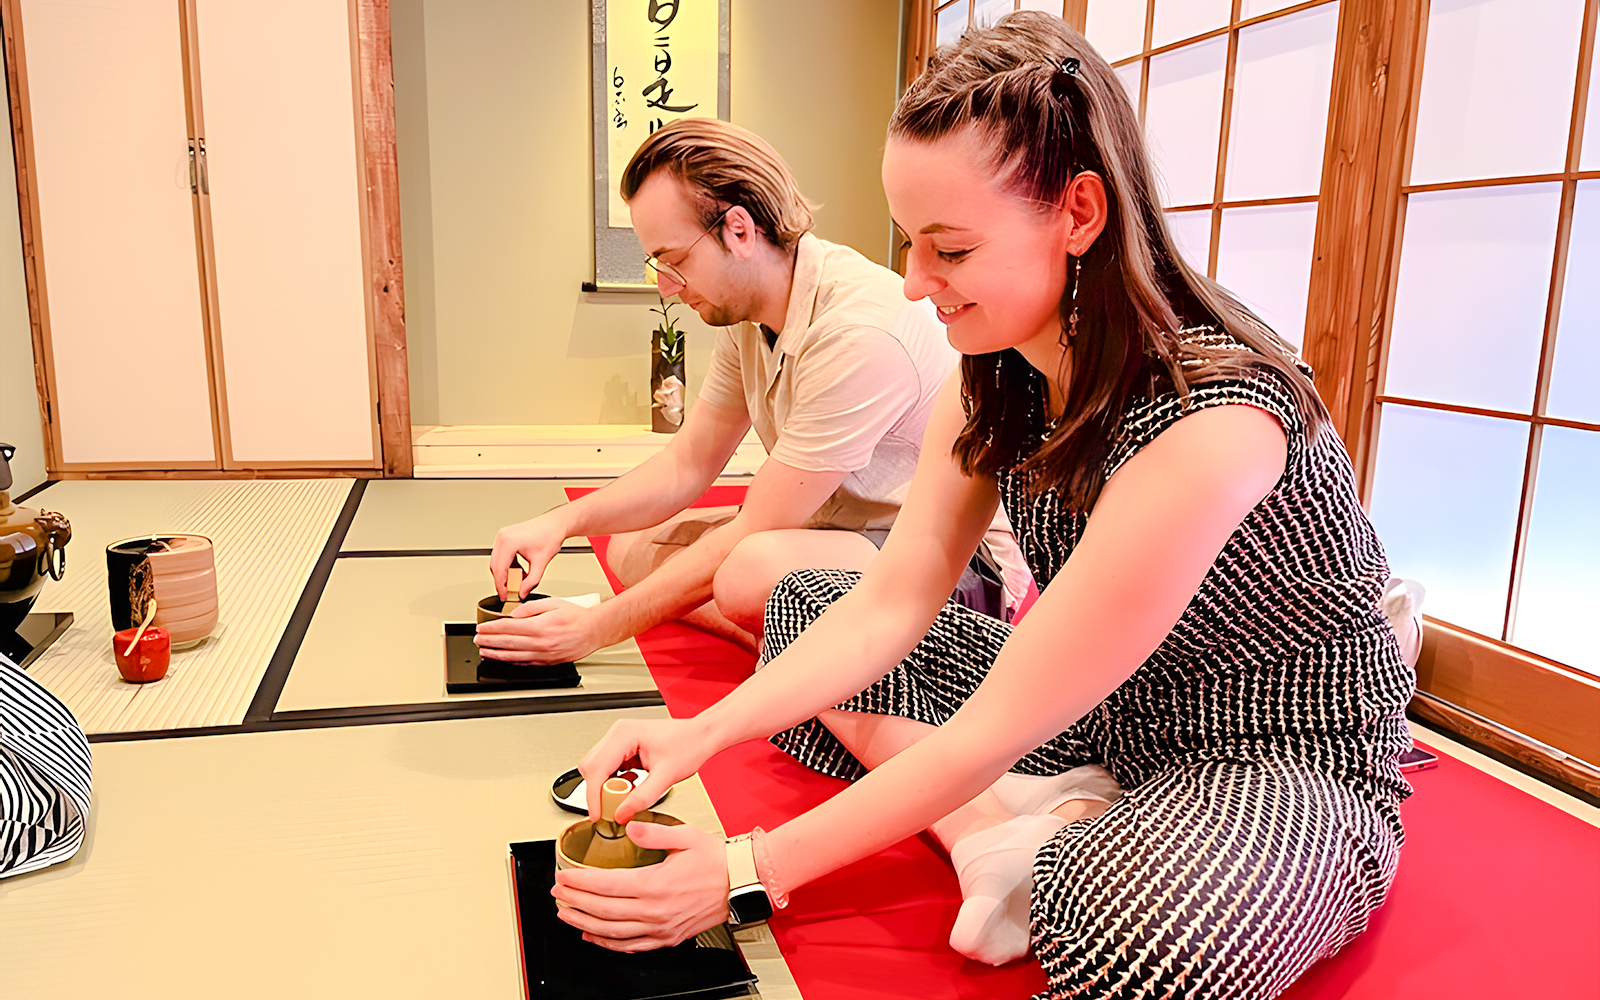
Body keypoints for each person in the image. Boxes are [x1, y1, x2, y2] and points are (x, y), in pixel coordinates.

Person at [552, 13, 1416, 999]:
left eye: (950, 251)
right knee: (807, 601)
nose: (916, 284)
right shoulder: (991, 370)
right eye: (909, 244)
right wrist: (699, 735)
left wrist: (748, 871)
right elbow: (891, 600)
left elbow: (991, 728)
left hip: (1274, 749)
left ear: (1079, 213)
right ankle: (1002, 830)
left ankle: (1061, 842)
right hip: (1104, 715)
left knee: (1137, 942)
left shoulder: (1211, 418)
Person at [481, 119, 1028, 665]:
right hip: (831, 534)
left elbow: (760, 525)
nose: (668, 286)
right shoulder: (748, 313)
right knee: (631, 546)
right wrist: (561, 521)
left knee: (747, 572)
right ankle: (796, 643)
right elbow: (688, 464)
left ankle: (845, 647)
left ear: (738, 231)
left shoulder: (859, 328)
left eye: (675, 262)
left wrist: (595, 629)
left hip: (950, 567)